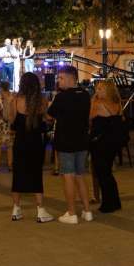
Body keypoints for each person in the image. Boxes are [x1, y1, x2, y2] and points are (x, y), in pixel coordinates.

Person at [45, 66, 93, 223]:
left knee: (68, 177)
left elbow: (49, 116)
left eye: (61, 78)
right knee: (80, 175)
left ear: (71, 78)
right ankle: (87, 211)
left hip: (66, 141)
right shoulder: (86, 95)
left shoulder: (61, 97)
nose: (58, 81)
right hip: (82, 141)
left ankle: (71, 212)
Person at [10, 72, 54, 222]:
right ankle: (40, 210)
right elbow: (47, 119)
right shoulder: (41, 100)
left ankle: (16, 209)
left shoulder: (16, 100)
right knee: (36, 173)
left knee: (18, 173)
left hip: (20, 141)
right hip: (36, 142)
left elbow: (11, 120)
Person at [89, 79, 124, 212]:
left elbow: (90, 117)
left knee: (102, 172)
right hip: (113, 141)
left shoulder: (99, 103)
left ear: (107, 90)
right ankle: (114, 201)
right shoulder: (117, 103)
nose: (97, 91)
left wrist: (93, 100)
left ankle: (108, 204)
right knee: (107, 171)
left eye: (100, 89)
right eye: (96, 88)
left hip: (100, 141)